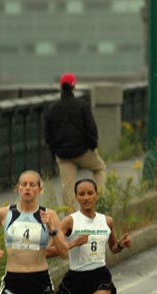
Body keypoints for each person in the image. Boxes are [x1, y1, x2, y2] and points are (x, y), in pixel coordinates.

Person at [44, 73, 107, 210]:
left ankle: (70, 219)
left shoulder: (53, 108)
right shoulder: (82, 105)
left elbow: (48, 135)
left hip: (63, 155)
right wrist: (93, 147)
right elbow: (91, 129)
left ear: (61, 87)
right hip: (82, 151)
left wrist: (55, 152)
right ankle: (99, 201)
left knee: (67, 187)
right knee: (100, 168)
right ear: (74, 86)